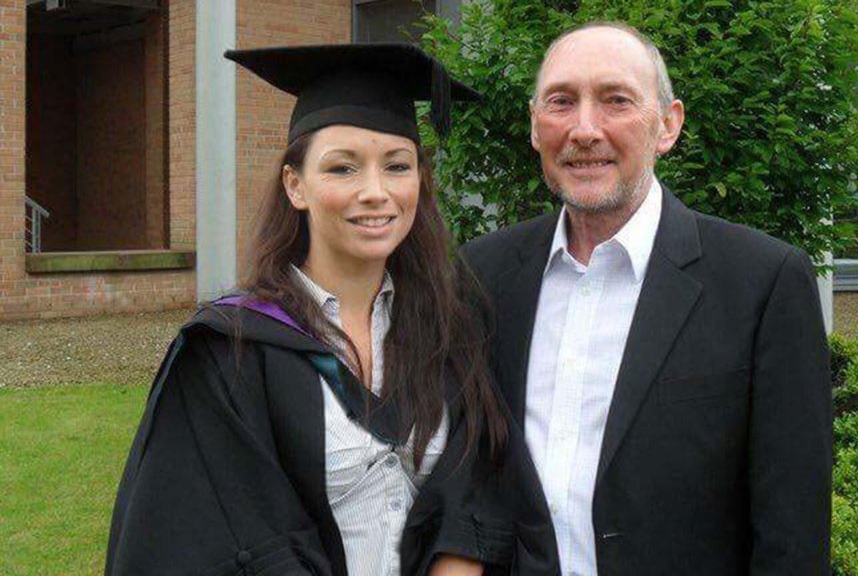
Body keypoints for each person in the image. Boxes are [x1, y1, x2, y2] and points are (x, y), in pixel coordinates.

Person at [105, 44, 558, 576]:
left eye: (397, 166)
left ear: (420, 181)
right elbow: (222, 533)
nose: (375, 192)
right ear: (295, 185)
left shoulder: (447, 329)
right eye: (342, 168)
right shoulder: (233, 349)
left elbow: (476, 476)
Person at [462, 22, 833, 576]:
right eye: (562, 102)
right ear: (536, 127)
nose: (584, 129)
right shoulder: (481, 275)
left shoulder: (762, 281)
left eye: (616, 101)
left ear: (667, 125)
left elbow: (793, 536)